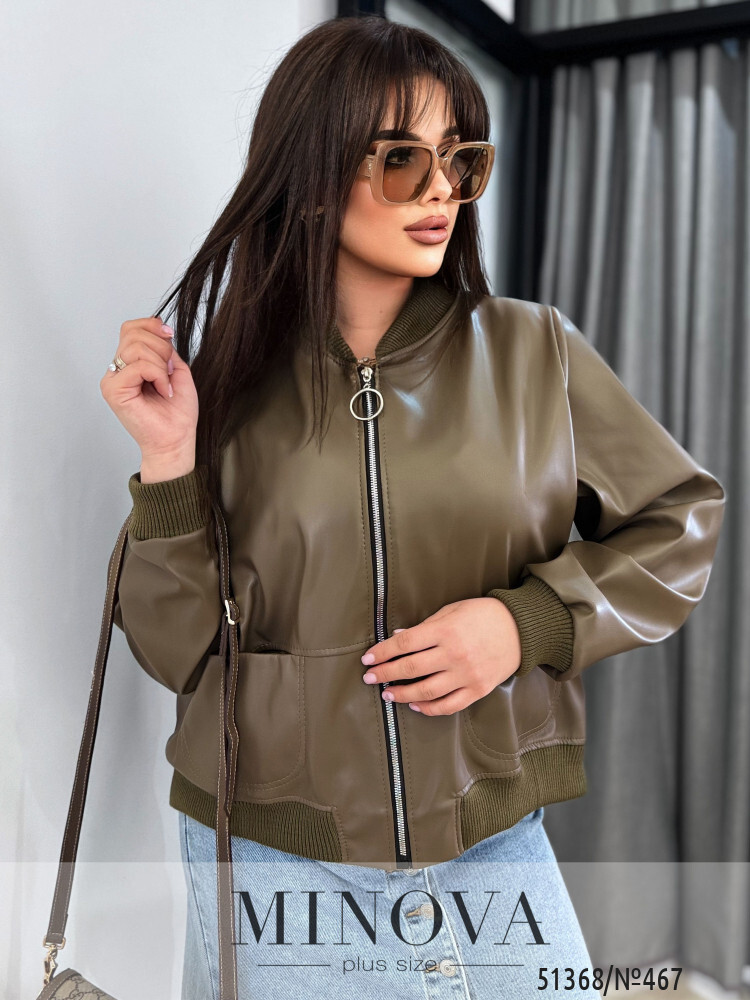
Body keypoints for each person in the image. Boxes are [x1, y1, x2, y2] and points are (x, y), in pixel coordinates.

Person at [99, 15, 725, 1000]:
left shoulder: (534, 354)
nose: (441, 190)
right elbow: (176, 651)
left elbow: (679, 519)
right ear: (312, 175)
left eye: (460, 159)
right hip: (273, 845)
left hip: (491, 833)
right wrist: (169, 459)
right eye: (401, 160)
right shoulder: (227, 381)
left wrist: (524, 624)